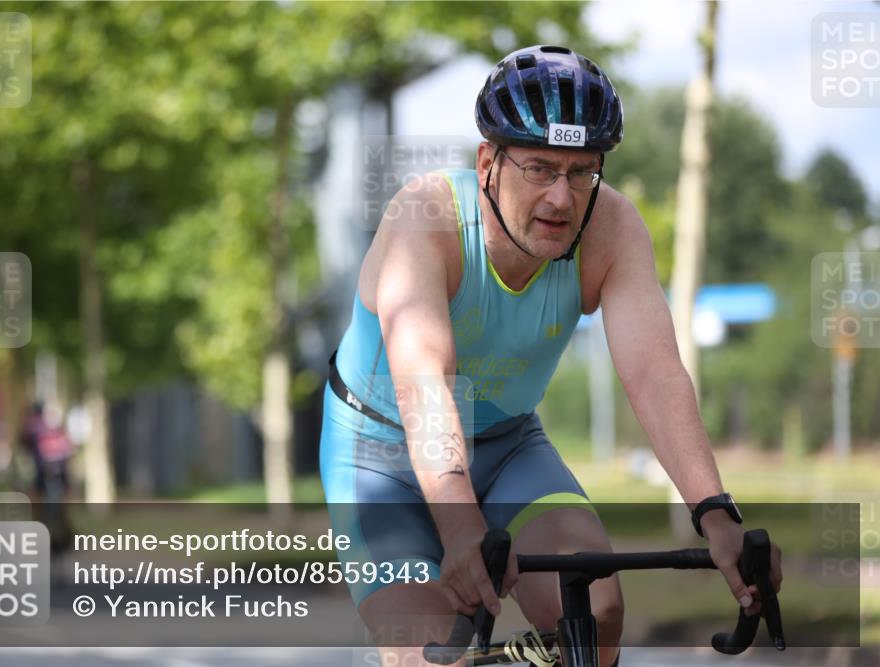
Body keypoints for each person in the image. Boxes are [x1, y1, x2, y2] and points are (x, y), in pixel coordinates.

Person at [319, 46, 782, 667]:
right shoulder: (425, 219)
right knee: (429, 648)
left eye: (582, 172)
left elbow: (653, 371)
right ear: (489, 161)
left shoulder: (611, 227)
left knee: (595, 610)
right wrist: (460, 527)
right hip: (382, 454)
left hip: (508, 445)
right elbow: (427, 378)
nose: (562, 199)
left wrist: (714, 513)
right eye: (538, 168)